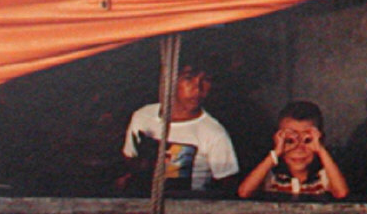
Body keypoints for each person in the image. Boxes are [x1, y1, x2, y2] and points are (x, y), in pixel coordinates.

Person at [120, 61, 239, 193]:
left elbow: (228, 184)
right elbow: (130, 158)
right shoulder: (143, 116)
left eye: (206, 80)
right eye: (188, 78)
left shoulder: (214, 133)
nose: (198, 88)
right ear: (171, 80)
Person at [236, 100, 349, 199]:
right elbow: (244, 192)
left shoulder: (323, 176)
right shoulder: (272, 176)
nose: (299, 148)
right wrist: (276, 153)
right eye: (289, 141)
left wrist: (320, 149)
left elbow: (341, 193)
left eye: (307, 140)